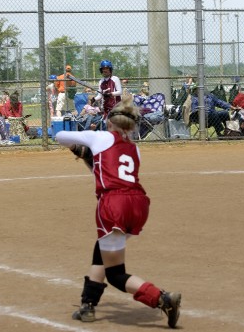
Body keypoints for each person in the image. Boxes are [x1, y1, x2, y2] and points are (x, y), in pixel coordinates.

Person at [55, 95, 181, 328]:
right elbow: (108, 171)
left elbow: (60, 135)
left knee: (115, 274)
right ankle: (88, 305)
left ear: (109, 122)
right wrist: (91, 158)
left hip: (114, 205)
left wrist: (79, 147)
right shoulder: (135, 149)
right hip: (139, 204)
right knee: (102, 250)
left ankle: (162, 298)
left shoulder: (101, 137)